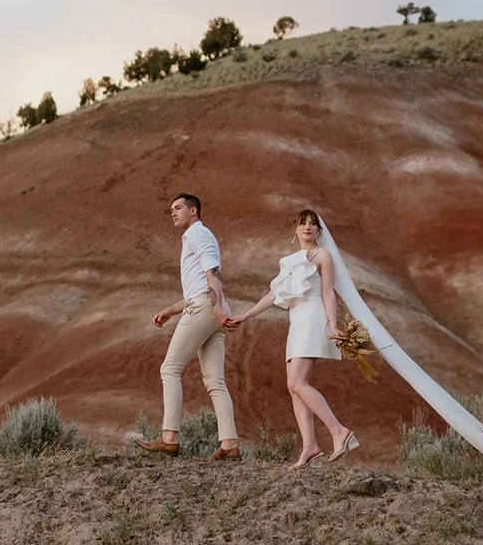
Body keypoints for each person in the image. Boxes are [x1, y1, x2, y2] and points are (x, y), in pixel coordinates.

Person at [226, 208, 360, 467]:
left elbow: (328, 292)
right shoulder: (289, 261)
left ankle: (339, 431)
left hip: (313, 318)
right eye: (302, 223)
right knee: (292, 385)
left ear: (319, 231)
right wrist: (246, 315)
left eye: (312, 224)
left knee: (298, 382)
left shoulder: (323, 255)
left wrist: (332, 325)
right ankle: (310, 446)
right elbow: (274, 295)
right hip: (297, 321)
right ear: (295, 229)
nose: (307, 227)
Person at [137, 192, 241, 460]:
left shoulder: (198, 234)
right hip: (208, 304)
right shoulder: (197, 236)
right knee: (214, 380)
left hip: (207, 306)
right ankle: (229, 443)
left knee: (169, 368)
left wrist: (215, 308)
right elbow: (199, 285)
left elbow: (213, 274)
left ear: (193, 211)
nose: (173, 212)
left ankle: (169, 438)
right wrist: (171, 310)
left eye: (178, 208)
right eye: (171, 208)